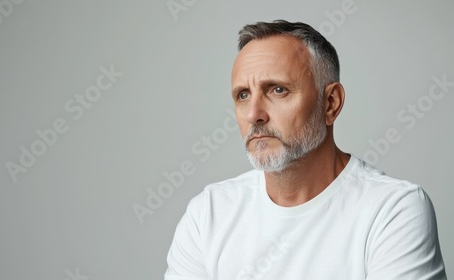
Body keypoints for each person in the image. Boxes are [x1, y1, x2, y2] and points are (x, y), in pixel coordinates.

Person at [164, 20, 446, 280]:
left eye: (277, 90)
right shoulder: (208, 213)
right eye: (243, 95)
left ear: (330, 103)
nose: (254, 114)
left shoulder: (393, 210)